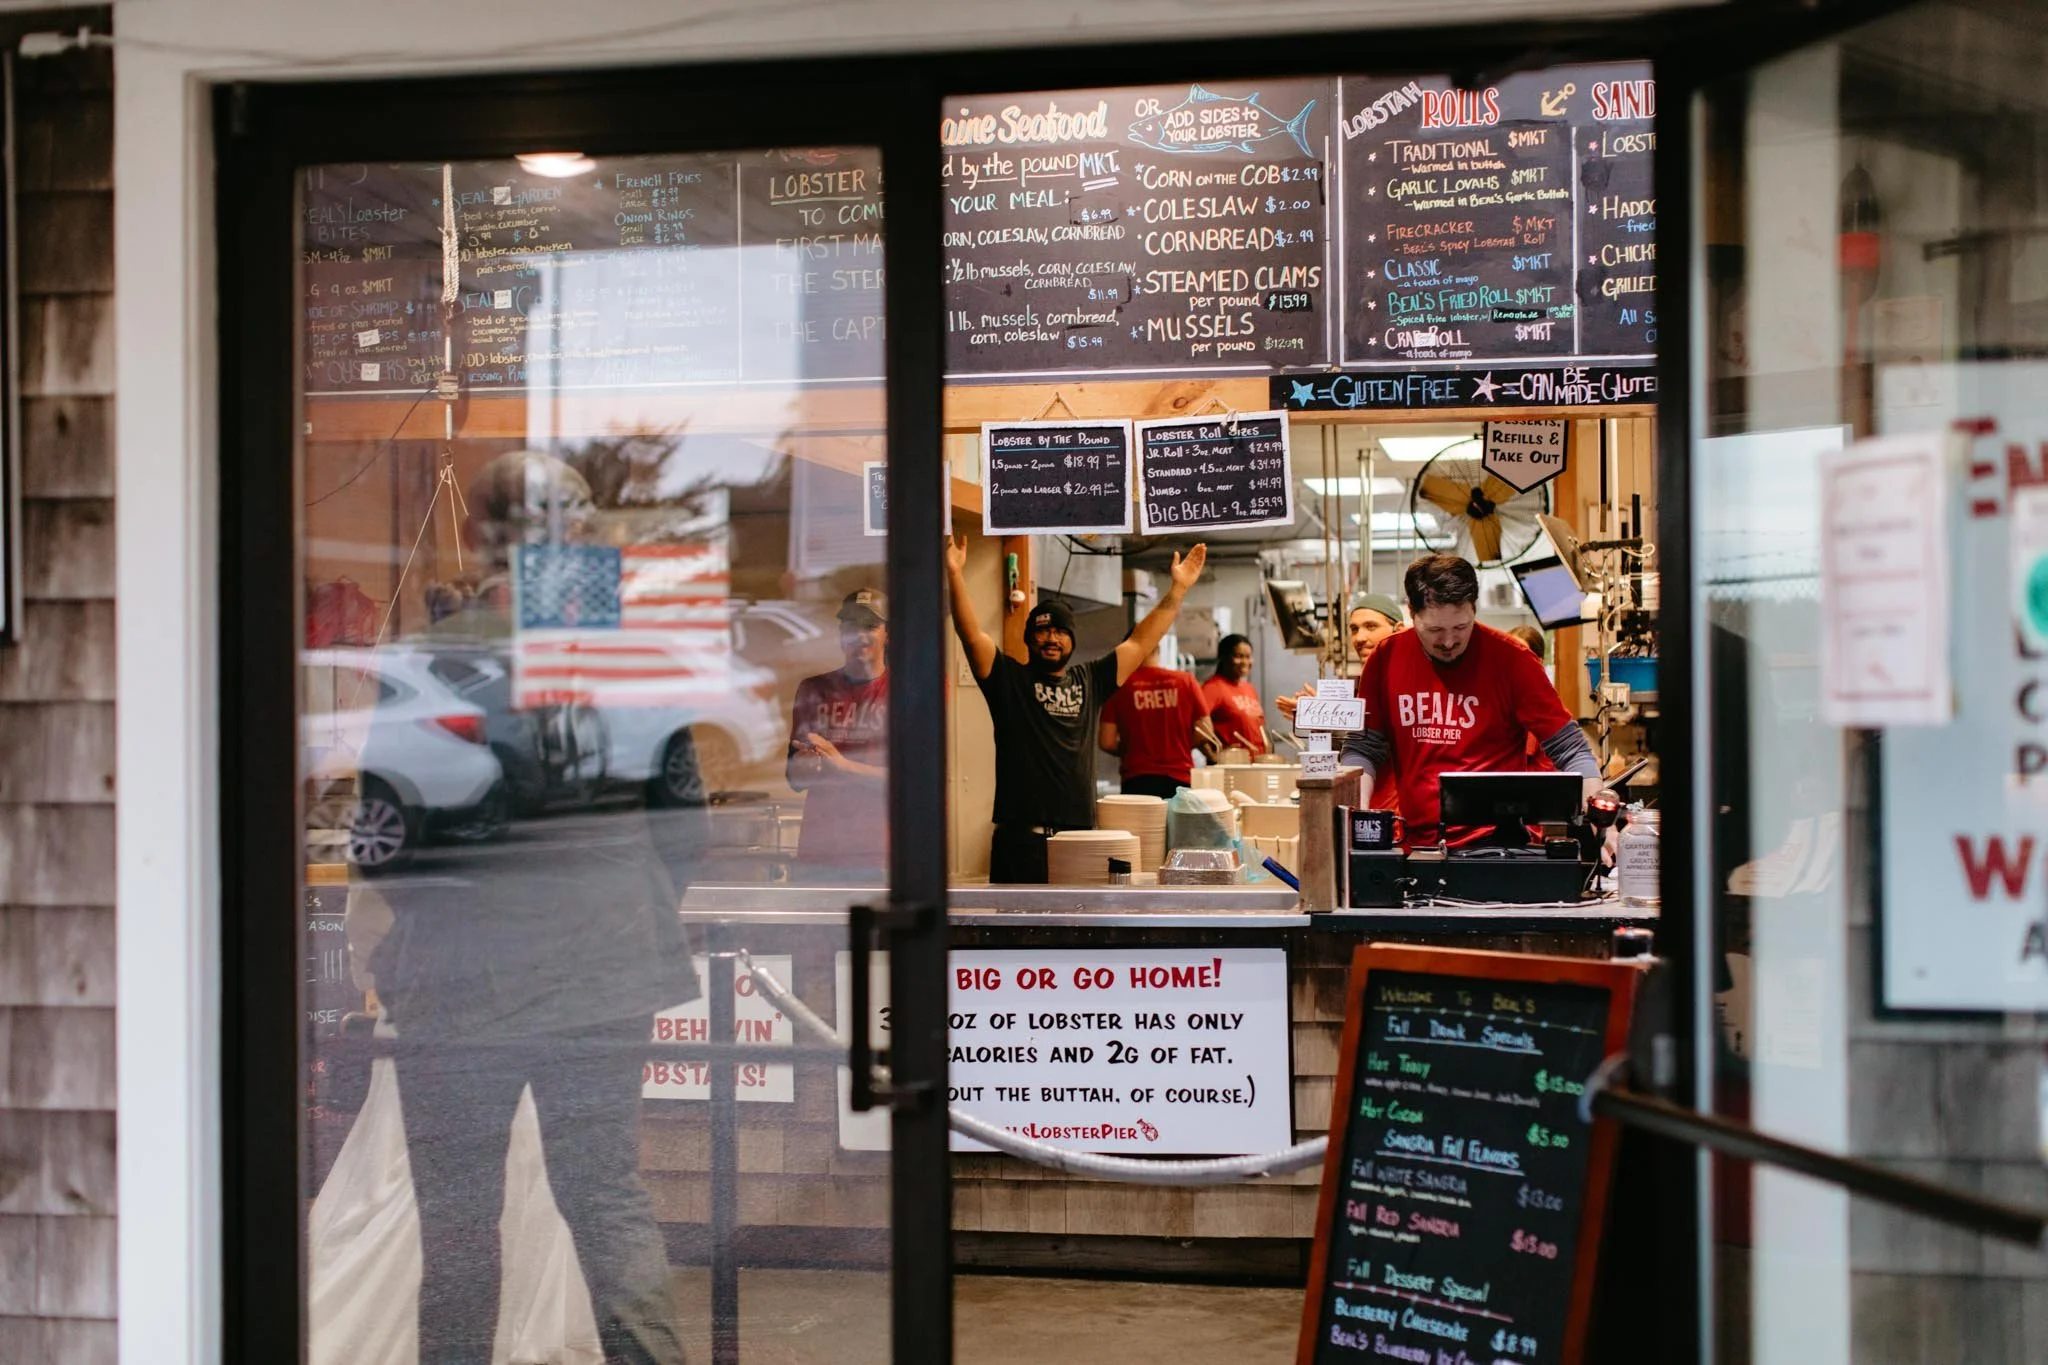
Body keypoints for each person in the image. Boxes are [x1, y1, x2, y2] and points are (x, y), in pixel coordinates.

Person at [362, 449, 698, 1365]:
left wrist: (439, 917)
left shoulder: (432, 659)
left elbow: (384, 832)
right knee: (607, 1195)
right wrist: (622, 913)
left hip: (462, 977)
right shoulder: (633, 657)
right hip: (604, 969)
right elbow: (683, 824)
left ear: (478, 536)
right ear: (581, 534)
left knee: (459, 1224)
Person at [947, 535, 1207, 883]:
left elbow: (1140, 641)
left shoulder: (1091, 679)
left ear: (1072, 638)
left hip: (1080, 840)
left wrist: (1178, 590)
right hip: (1021, 840)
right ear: (1029, 638)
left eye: (1060, 631)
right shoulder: (1009, 680)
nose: (1051, 638)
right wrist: (954, 574)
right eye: (1042, 631)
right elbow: (971, 635)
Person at [1344, 553, 1599, 848]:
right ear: (1412, 613)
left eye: (1460, 627)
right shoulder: (1385, 659)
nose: (1448, 642)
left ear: (1473, 609)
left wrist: (1598, 811)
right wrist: (1356, 816)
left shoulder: (1513, 660)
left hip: (1497, 843)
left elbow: (1570, 748)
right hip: (1418, 843)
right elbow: (1363, 747)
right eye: (1435, 630)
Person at [786, 587, 889, 881]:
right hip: (819, 854)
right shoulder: (812, 689)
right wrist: (804, 766)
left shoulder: (907, 691)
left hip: (880, 855)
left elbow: (913, 783)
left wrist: (842, 765)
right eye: (851, 625)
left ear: (888, 634)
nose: (859, 634)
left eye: (870, 625)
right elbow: (794, 780)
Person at [1098, 643, 1217, 798]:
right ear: (1158, 650)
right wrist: (1177, 746)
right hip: (1179, 779)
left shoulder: (1118, 687)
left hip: (1136, 781)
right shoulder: (1186, 680)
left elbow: (1106, 742)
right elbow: (1205, 732)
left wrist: (1133, 749)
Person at [1275, 591, 1405, 723]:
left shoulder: (1408, 682)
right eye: (1354, 629)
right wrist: (1321, 715)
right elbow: (1365, 729)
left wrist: (1326, 715)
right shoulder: (1368, 683)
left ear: (1399, 630)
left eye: (1371, 626)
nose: (1359, 638)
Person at [1202, 633, 1268, 757]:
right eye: (1239, 656)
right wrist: (1213, 754)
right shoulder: (1213, 688)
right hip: (1233, 764)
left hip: (1258, 761)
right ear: (1223, 658)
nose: (1245, 662)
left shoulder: (1249, 688)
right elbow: (1196, 724)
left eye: (1248, 657)